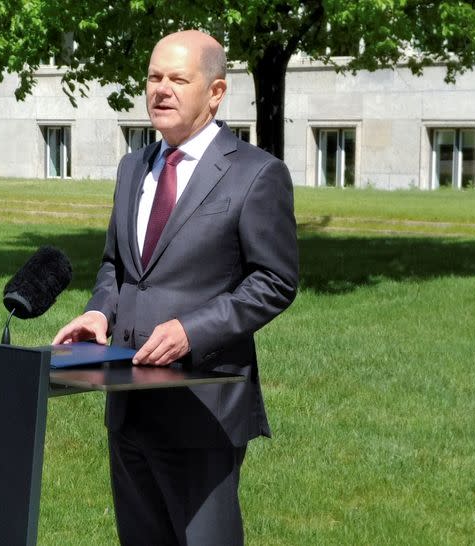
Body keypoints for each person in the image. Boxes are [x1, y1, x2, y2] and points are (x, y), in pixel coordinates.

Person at [53, 29, 299, 545]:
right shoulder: (133, 166)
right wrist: (101, 312)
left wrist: (192, 331)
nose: (160, 89)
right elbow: (116, 267)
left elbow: (274, 280)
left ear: (215, 92)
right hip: (128, 408)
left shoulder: (257, 174)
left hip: (202, 408)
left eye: (177, 79)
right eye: (153, 77)